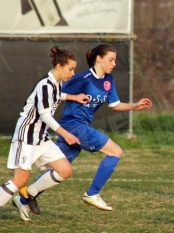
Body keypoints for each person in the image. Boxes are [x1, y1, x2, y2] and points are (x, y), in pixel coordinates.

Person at [19, 44, 152, 216]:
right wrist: (73, 97)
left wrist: (135, 105)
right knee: (115, 152)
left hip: (80, 127)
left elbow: (115, 105)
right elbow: (54, 93)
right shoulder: (83, 78)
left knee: (60, 170)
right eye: (110, 60)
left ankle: (23, 198)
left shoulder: (108, 80)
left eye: (115, 60)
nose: (114, 64)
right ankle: (93, 193)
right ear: (98, 59)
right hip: (73, 126)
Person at [0, 46, 89, 221]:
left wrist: (74, 97)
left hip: (41, 138)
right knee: (19, 180)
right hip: (26, 136)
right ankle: (21, 196)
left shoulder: (56, 84)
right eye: (70, 68)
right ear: (59, 66)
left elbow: (57, 96)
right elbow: (45, 115)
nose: (73, 73)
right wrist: (65, 134)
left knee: (65, 170)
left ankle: (27, 197)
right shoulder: (45, 85)